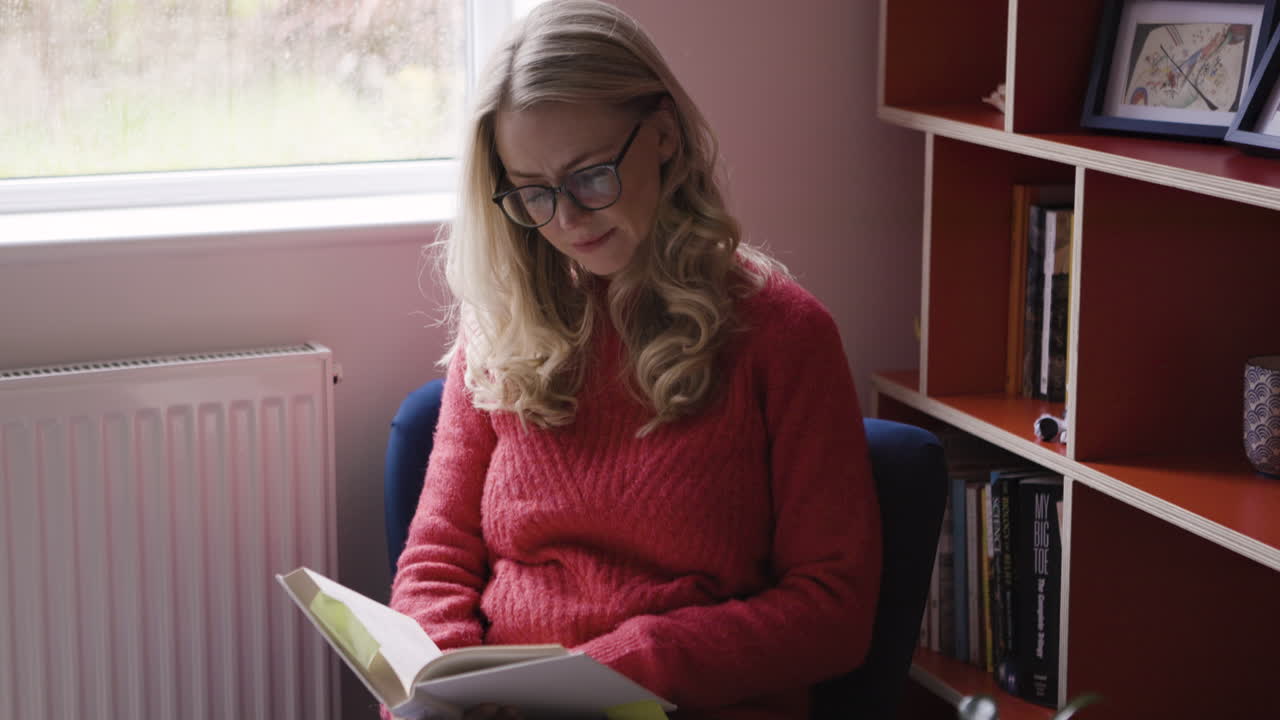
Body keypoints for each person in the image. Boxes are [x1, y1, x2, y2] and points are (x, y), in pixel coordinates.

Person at [389, 1, 882, 717]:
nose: (565, 220)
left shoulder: (783, 335)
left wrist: (623, 666)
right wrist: (437, 683)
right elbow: (436, 561)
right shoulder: (501, 327)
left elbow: (832, 612)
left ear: (664, 135)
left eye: (590, 177)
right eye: (531, 191)